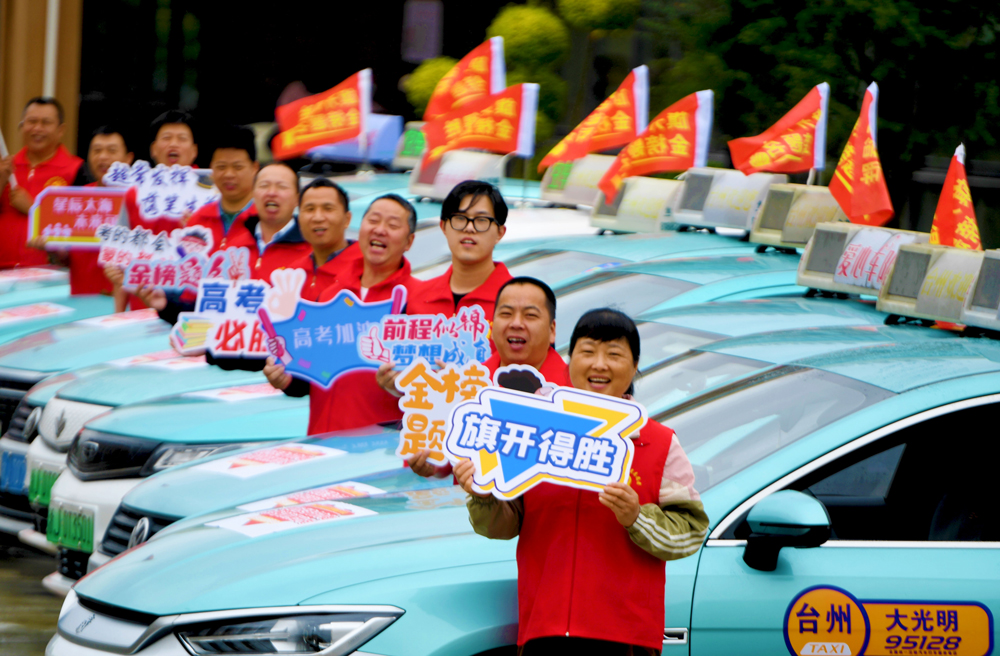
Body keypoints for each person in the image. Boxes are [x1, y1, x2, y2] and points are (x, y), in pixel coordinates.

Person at [457, 308, 710, 655]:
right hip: (542, 632)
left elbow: (690, 532)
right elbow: (501, 526)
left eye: (614, 354)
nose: (599, 365)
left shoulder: (658, 442)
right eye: (587, 352)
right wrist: (483, 493)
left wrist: (637, 517)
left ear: (635, 366)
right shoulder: (535, 430)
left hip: (625, 638)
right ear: (569, 359)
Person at [264, 194, 422, 434]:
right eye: (374, 220)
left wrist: (403, 386)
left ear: (409, 241)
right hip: (322, 443)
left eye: (392, 225)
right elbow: (311, 371)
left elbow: (431, 386)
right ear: (361, 228)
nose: (380, 230)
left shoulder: (418, 301)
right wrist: (287, 380)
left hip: (380, 451)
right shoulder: (331, 294)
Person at [410, 276, 569, 479]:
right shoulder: (462, 386)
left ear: (552, 330)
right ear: (492, 328)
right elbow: (442, 457)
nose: (516, 323)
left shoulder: (574, 392)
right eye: (506, 314)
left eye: (530, 315)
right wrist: (431, 465)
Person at [134, 162, 310, 321]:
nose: (272, 192)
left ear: (297, 198)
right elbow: (208, 310)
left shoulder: (311, 250)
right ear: (254, 194)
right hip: (230, 351)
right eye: (264, 186)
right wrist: (166, 304)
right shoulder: (231, 247)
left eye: (281, 187)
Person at [26, 124, 134, 296]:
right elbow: (66, 259)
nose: (103, 157)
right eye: (97, 151)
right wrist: (53, 249)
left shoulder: (140, 202)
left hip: (126, 306)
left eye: (111, 151)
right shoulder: (77, 201)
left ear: (128, 158)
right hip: (82, 301)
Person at [0, 97, 85, 269]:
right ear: (22, 126)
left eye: (46, 123)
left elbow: (80, 227)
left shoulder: (76, 170)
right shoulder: (7, 167)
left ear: (61, 130)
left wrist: (33, 209)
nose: (37, 128)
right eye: (31, 121)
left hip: (48, 276)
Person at [184, 125, 259, 252]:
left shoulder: (267, 220)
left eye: (238, 167)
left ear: (254, 168)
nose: (229, 174)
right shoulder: (198, 220)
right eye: (221, 167)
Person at [290, 177, 360, 301]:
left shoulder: (365, 270)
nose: (318, 218)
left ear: (347, 219)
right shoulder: (291, 275)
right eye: (310, 209)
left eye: (328, 209)